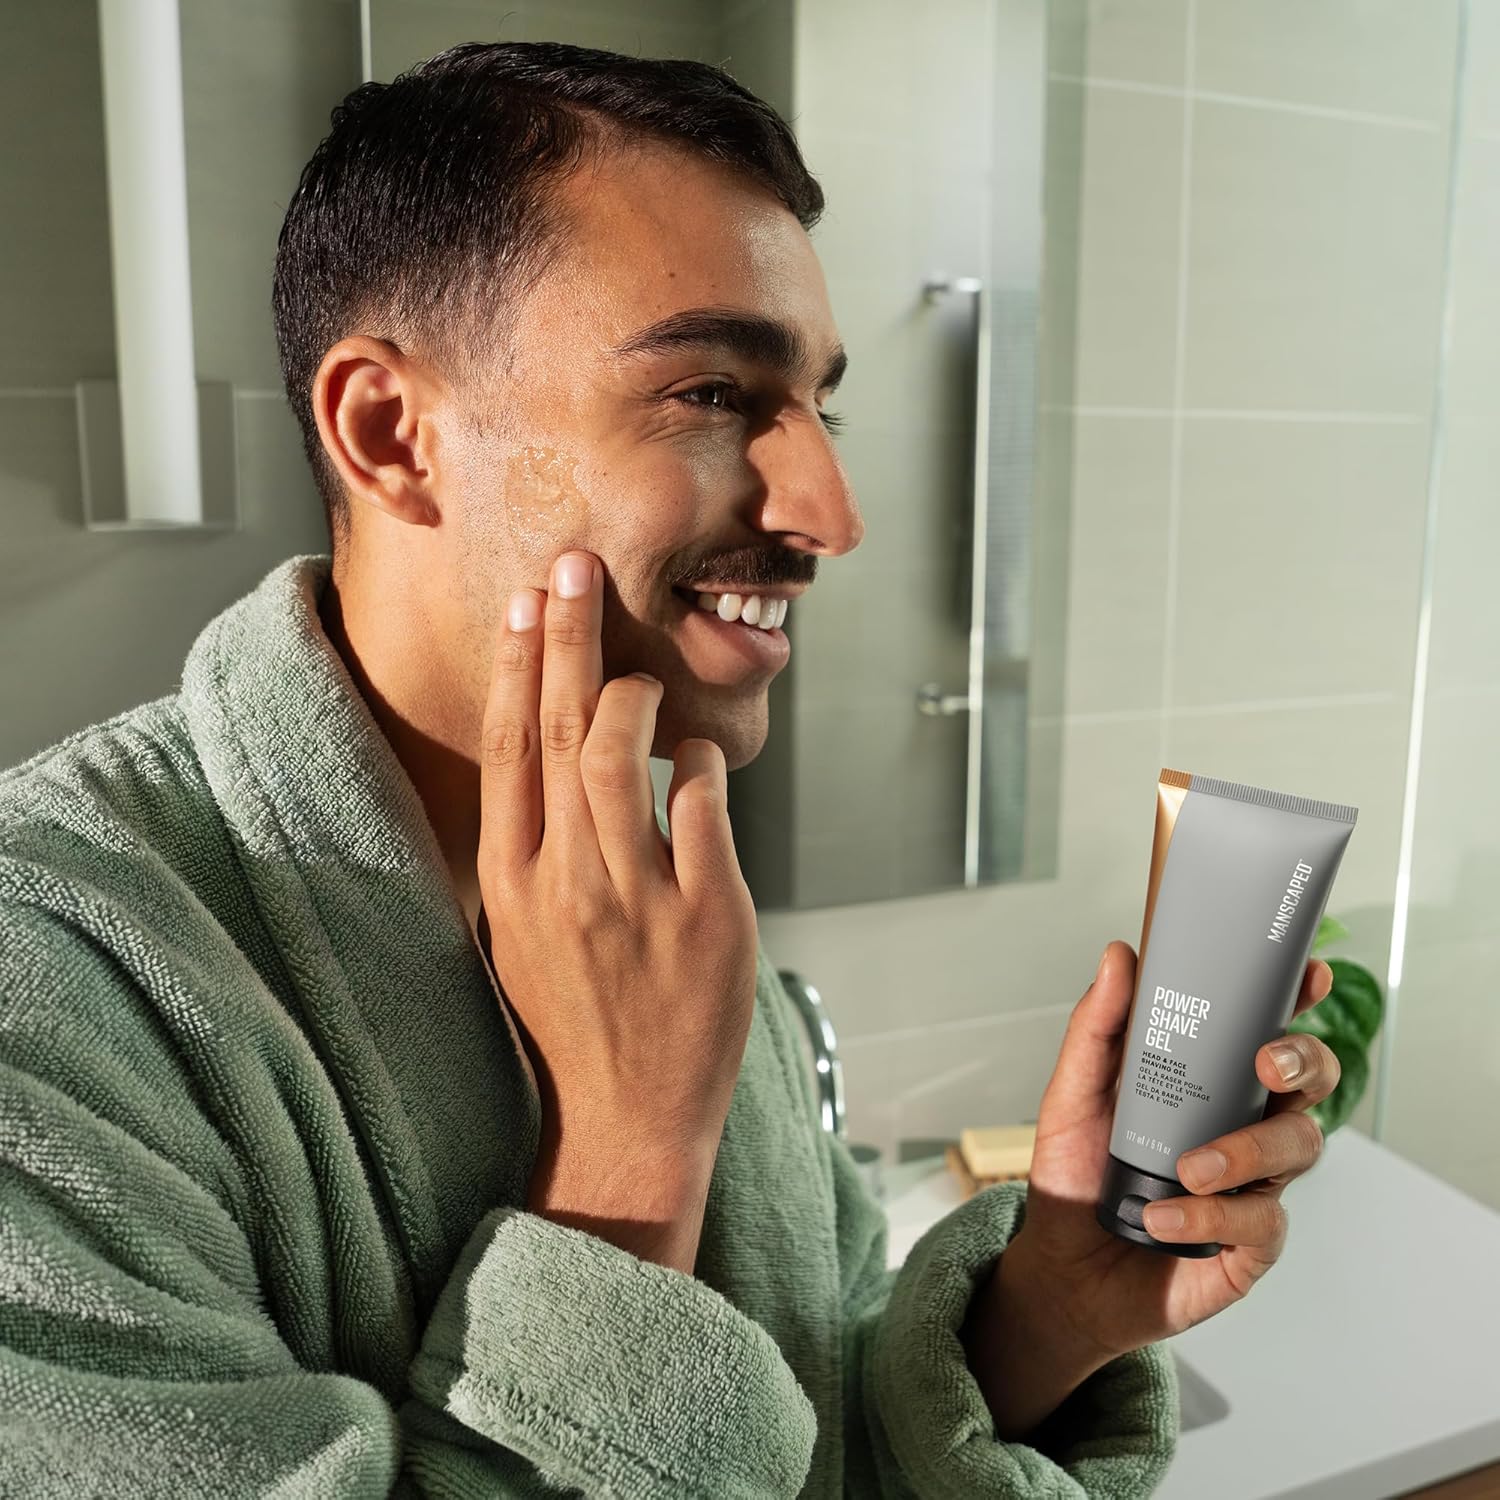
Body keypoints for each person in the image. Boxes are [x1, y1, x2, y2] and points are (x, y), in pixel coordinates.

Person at [0, 40, 1339, 1497]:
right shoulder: (49, 997)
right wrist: (629, 1160)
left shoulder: (652, 899)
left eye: (820, 405)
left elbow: (795, 1439)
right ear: (392, 434)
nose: (831, 511)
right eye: (711, 392)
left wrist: (1053, 1310)